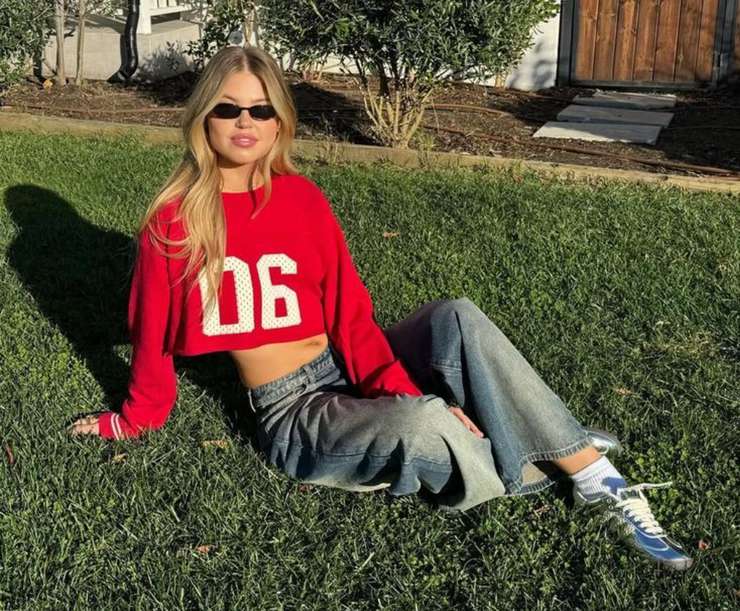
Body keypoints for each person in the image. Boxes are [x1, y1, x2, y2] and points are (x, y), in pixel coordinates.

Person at [68, 45, 692, 571]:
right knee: (419, 425)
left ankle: (593, 476)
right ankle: (546, 442)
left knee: (456, 315)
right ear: (203, 117)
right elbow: (151, 337)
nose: (245, 121)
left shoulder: (302, 200)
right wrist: (133, 420)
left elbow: (351, 317)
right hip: (295, 411)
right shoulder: (176, 221)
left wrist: (397, 390)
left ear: (280, 123)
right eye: (228, 108)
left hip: (344, 366)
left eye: (261, 109)